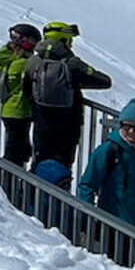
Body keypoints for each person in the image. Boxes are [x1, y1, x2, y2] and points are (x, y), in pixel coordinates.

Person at [77, 98, 135, 237]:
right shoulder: (107, 151)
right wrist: (86, 218)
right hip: (111, 226)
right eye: (127, 126)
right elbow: (87, 185)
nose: (132, 131)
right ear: (120, 125)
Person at [26, 20, 111, 172]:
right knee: (62, 165)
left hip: (41, 121)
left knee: (40, 160)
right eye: (69, 40)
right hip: (68, 124)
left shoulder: (33, 62)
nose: (71, 45)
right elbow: (104, 81)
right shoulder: (71, 64)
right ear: (62, 40)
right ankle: (57, 194)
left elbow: (26, 89)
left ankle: (31, 193)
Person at [0, 23, 41, 167]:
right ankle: (4, 182)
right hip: (20, 111)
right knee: (15, 152)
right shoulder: (23, 64)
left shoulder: (7, 59)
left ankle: (8, 180)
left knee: (19, 148)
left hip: (9, 108)